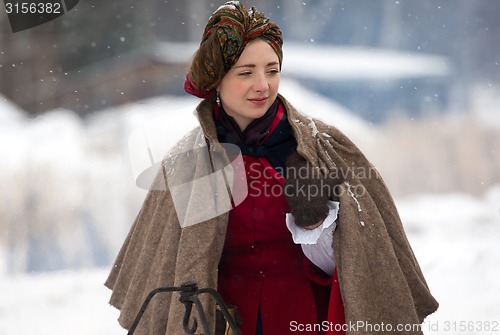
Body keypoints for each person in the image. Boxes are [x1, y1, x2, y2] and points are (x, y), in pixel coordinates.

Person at [105, 2, 439, 335]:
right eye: (246, 72)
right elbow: (169, 271)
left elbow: (363, 266)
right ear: (217, 78)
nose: (263, 85)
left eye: (272, 69)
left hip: (308, 319)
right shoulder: (189, 162)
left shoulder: (324, 148)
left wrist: (320, 228)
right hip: (222, 322)